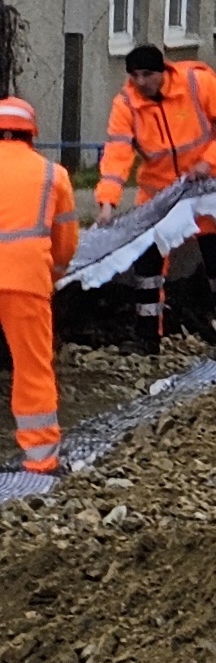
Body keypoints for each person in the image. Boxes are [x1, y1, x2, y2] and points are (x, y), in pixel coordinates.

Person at [97, 43, 216, 351]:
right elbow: (117, 154)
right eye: (135, 76)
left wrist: (209, 160)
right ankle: (146, 338)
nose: (141, 82)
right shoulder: (126, 104)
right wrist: (107, 202)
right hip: (160, 193)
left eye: (147, 74)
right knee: (147, 264)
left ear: (163, 71)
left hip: (210, 187)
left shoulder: (197, 83)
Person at [0, 99, 76, 475]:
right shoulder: (52, 175)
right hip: (26, 281)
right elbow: (66, 243)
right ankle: (41, 459)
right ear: (31, 134)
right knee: (32, 368)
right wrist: (54, 274)